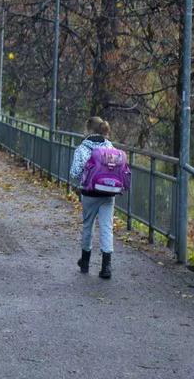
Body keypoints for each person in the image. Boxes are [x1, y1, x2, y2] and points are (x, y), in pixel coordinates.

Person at [69, 116, 115, 279]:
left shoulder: (82, 148)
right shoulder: (109, 146)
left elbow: (74, 173)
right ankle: (106, 266)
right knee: (107, 227)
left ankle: (86, 262)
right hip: (108, 193)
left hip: (89, 193)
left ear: (89, 129)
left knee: (88, 226)